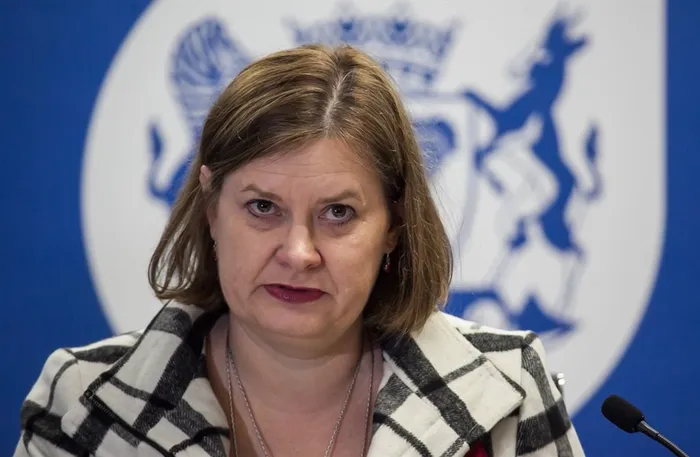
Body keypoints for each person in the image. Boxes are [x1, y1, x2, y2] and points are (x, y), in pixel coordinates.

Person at [15, 44, 585, 457]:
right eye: (263, 207)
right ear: (212, 208)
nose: (298, 252)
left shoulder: (507, 390)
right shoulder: (81, 398)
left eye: (338, 213)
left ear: (394, 224)